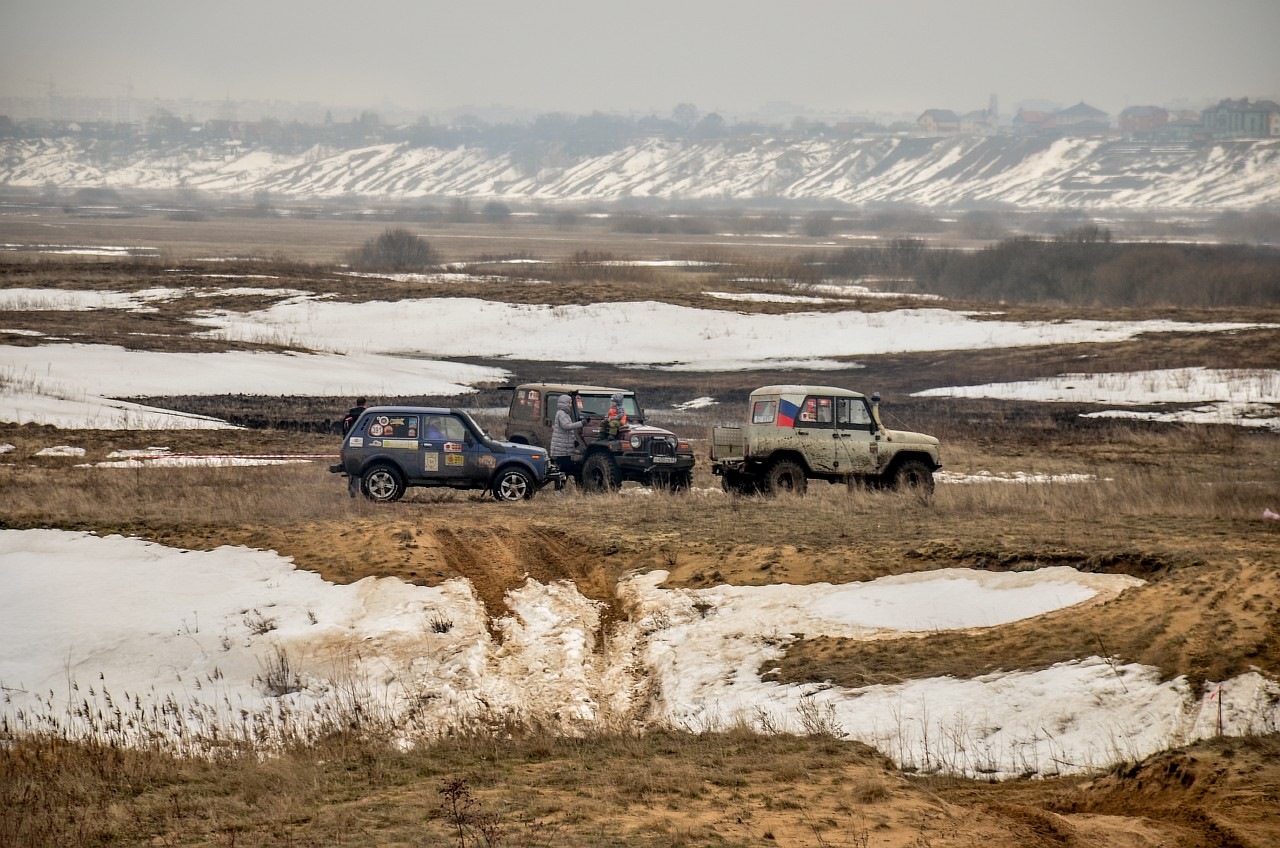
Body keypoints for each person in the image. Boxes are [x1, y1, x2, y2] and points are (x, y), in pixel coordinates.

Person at [550, 394, 584, 476]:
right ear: (564, 403)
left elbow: (567, 432)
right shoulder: (561, 414)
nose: (570, 405)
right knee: (563, 469)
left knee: (564, 470)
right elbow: (566, 426)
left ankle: (561, 487)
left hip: (564, 449)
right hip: (561, 450)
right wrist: (581, 423)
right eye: (569, 403)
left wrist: (574, 441)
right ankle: (560, 487)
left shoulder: (565, 414)